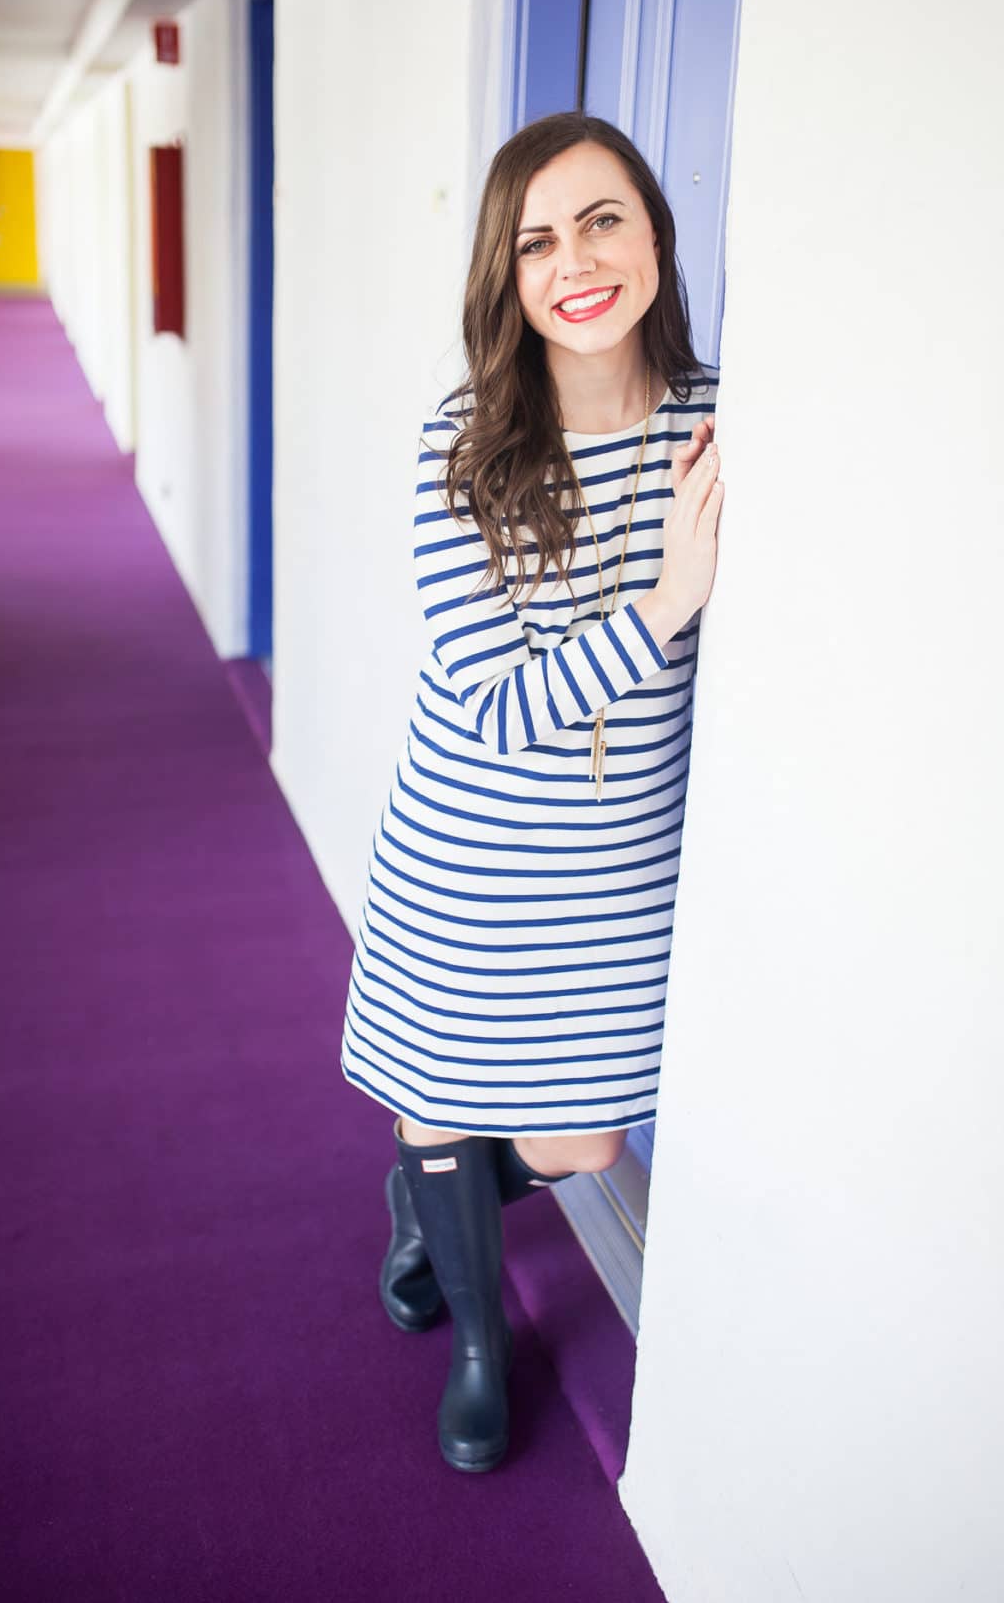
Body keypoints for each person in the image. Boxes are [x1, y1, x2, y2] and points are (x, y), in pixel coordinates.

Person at [340, 111, 724, 1473]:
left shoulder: (718, 420)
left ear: (657, 235)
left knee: (582, 1136)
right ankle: (480, 1347)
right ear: (507, 277)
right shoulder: (467, 451)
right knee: (445, 1096)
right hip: (473, 854)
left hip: (617, 874)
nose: (578, 261)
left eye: (605, 217)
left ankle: (426, 1191)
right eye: (538, 239)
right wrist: (671, 603)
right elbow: (499, 712)